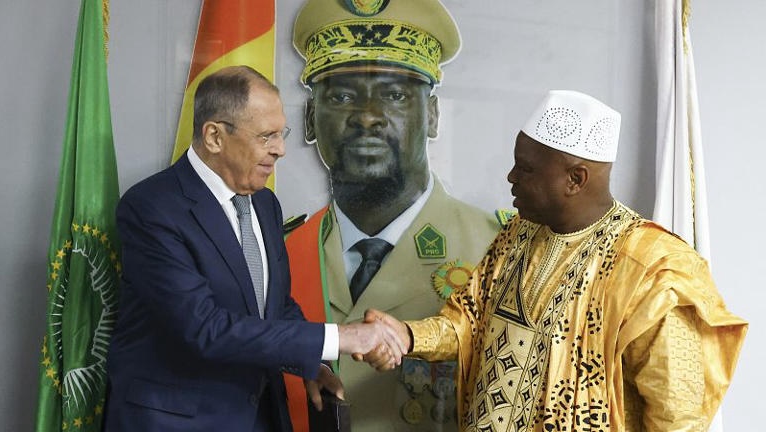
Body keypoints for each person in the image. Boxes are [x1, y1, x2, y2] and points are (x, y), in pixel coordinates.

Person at [364, 90, 748, 431]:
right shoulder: (519, 233)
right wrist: (408, 336)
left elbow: (677, 418)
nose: (511, 176)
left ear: (576, 179)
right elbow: (470, 319)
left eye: (526, 168)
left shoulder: (652, 270)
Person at [103, 66, 405, 432]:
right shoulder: (153, 208)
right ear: (214, 136)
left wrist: (312, 364)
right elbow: (205, 328)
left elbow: (274, 306)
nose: (279, 150)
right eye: (267, 136)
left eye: (282, 134)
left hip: (260, 418)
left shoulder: (264, 204)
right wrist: (341, 338)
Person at [285, 0, 503, 430]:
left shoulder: (499, 248)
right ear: (310, 118)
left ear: (434, 115)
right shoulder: (278, 250)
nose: (367, 116)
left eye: (396, 94)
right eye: (342, 95)